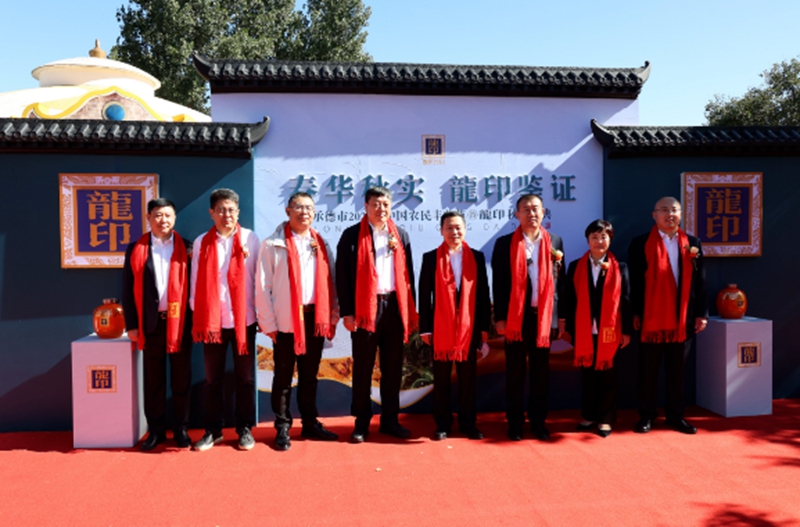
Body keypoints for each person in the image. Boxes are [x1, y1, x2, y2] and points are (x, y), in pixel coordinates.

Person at [255, 192, 340, 451]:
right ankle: (282, 427)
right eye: (299, 207)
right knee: (282, 377)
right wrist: (269, 324)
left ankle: (310, 422)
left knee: (309, 376)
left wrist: (332, 315)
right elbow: (262, 286)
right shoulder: (272, 244)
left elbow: (332, 281)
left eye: (309, 208)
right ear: (288, 211)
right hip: (286, 320)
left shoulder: (321, 243)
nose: (305, 212)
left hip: (315, 318)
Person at [336, 186, 418, 443]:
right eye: (376, 204)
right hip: (364, 310)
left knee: (393, 368)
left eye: (385, 204)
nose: (381, 209)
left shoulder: (400, 235)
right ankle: (361, 423)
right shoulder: (351, 236)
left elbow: (408, 276)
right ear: (366, 206)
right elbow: (342, 276)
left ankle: (390, 420)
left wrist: (409, 313)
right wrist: (348, 312)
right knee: (363, 368)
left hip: (394, 308)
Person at [628, 196, 708, 434]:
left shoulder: (692, 243)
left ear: (681, 215)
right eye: (664, 210)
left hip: (682, 317)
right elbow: (633, 282)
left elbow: (701, 281)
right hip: (650, 317)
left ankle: (676, 416)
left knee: (677, 371)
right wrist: (635, 312)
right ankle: (646, 415)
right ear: (654, 215)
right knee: (648, 371)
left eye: (674, 210)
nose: (669, 214)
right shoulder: (640, 243)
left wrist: (701, 314)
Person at [190, 189, 260, 451]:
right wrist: (199, 312)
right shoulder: (202, 242)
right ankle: (213, 430)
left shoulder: (251, 239)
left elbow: (258, 278)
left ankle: (244, 429)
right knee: (213, 380)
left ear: (238, 212)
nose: (226, 214)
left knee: (245, 379)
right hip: (213, 322)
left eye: (231, 210)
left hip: (244, 320)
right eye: (220, 209)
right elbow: (196, 279)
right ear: (212, 213)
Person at [492, 193, 565, 441]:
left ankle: (538, 422)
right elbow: (499, 284)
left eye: (535, 209)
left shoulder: (555, 242)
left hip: (543, 319)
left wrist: (560, 318)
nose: (531, 213)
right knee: (514, 373)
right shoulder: (504, 244)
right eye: (526, 209)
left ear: (543, 213)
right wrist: (500, 318)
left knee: (540, 373)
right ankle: (514, 423)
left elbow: (560, 283)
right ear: (517, 215)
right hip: (515, 319)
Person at [121, 198, 193, 451]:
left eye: (168, 215)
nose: (163, 220)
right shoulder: (136, 249)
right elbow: (127, 288)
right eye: (158, 215)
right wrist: (132, 324)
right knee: (154, 381)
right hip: (150, 324)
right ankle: (156, 430)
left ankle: (181, 429)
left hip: (180, 324)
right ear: (149, 218)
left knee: (181, 379)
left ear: (175, 218)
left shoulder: (187, 247)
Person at [418, 211, 490, 440]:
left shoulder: (477, 257)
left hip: (469, 328)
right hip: (441, 328)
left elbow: (483, 294)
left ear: (465, 230)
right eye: (449, 228)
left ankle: (468, 423)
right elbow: (424, 295)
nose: (454, 232)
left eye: (458, 227)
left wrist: (483, 328)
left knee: (468, 379)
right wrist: (426, 328)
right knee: (441, 379)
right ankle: (443, 424)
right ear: (441, 231)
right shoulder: (431, 258)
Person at [560, 220, 632, 438]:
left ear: (610, 239)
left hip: (610, 331)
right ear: (587, 240)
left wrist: (627, 331)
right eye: (594, 237)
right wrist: (566, 326)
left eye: (603, 237)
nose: (599, 241)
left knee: (608, 377)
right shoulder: (575, 266)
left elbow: (626, 300)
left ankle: (605, 419)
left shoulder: (621, 267)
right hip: (584, 331)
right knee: (588, 377)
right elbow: (568, 298)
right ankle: (589, 416)